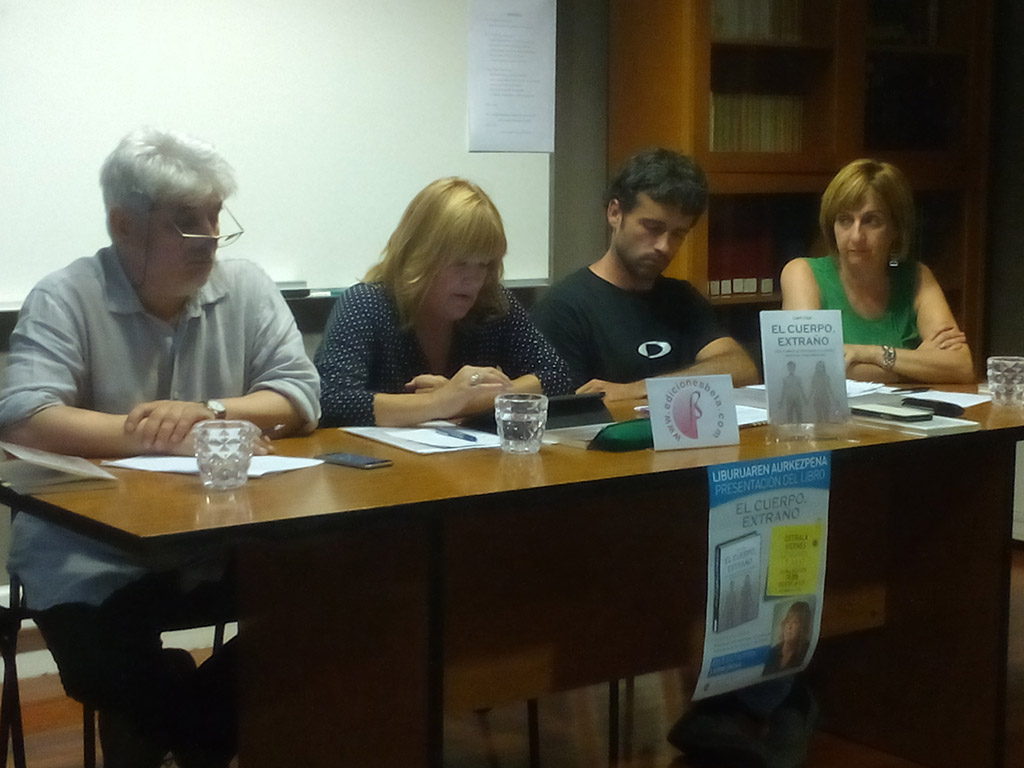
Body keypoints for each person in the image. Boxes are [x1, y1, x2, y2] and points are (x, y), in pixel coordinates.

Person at [0, 128, 321, 768]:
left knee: (328, 609)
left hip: (219, 540)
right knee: (103, 668)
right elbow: (23, 420)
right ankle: (195, 727)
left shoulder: (247, 287)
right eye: (186, 220)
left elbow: (299, 392)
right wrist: (157, 433)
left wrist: (210, 414)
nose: (210, 237)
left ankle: (178, 726)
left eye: (215, 216)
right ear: (124, 224)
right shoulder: (66, 295)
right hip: (91, 553)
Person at [315, 176, 574, 427]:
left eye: (484, 264)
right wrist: (439, 402)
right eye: (460, 262)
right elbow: (330, 401)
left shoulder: (492, 305)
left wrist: (472, 398)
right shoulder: (367, 303)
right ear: (419, 256)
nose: (473, 279)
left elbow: (557, 377)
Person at [531, 147, 758, 400]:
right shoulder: (563, 309)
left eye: (678, 234)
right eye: (652, 228)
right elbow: (559, 411)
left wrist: (640, 388)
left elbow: (741, 368)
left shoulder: (682, 299)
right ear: (615, 213)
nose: (665, 246)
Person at [780, 158, 974, 383]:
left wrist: (872, 353)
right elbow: (808, 368)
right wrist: (916, 365)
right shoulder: (802, 273)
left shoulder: (917, 276)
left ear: (896, 228)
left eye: (871, 221)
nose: (856, 236)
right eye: (845, 220)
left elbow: (961, 367)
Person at [763, 601, 813, 676]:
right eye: (788, 621)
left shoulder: (806, 651)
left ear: (803, 627)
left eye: (795, 622)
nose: (789, 626)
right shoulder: (774, 651)